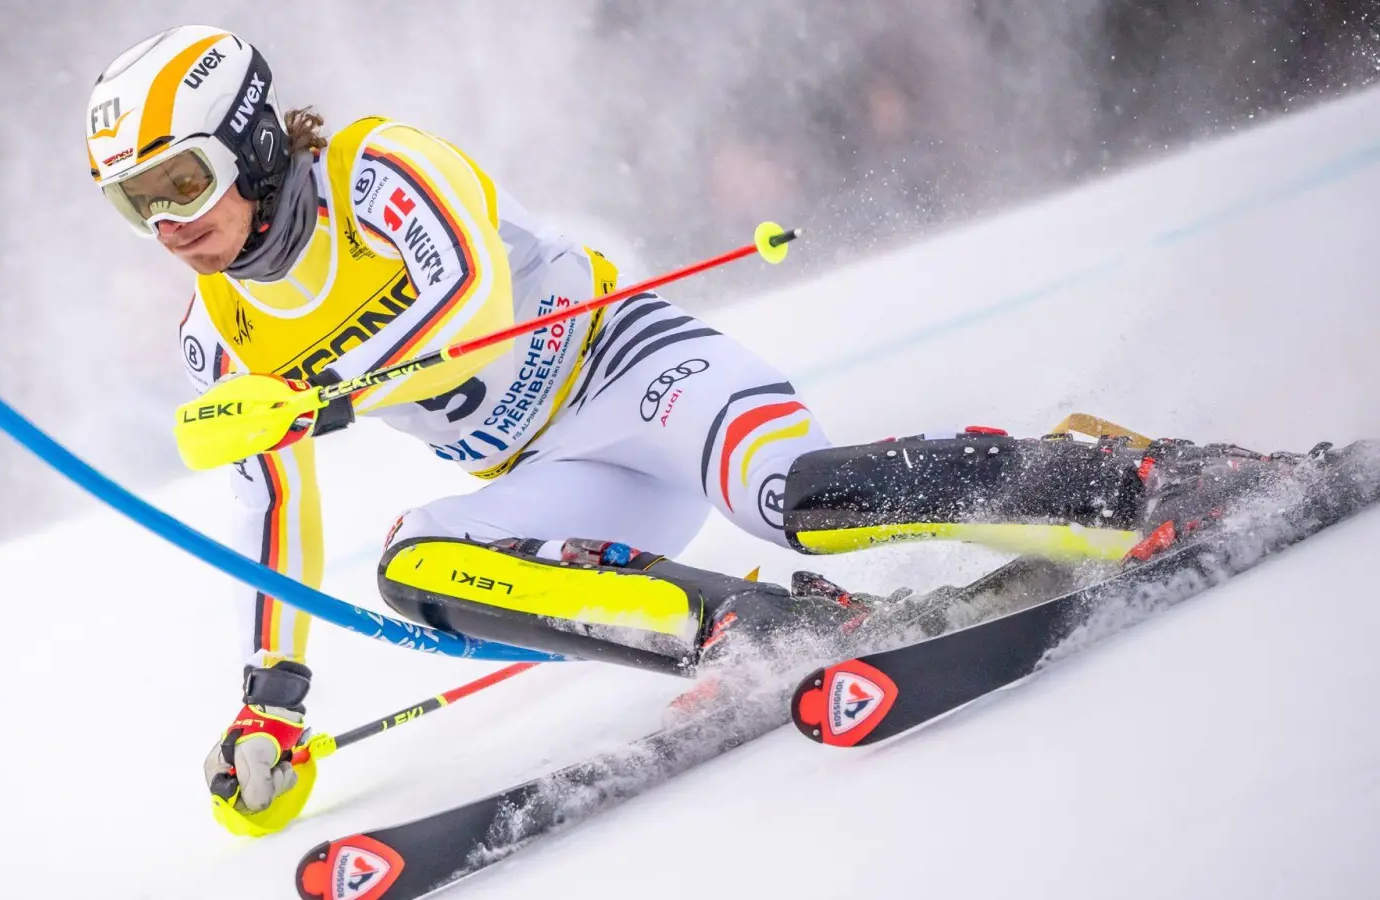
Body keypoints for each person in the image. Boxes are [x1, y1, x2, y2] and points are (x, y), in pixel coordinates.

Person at [83, 25, 1351, 836]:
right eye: (135, 205)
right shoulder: (217, 331)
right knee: (415, 566)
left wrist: (337, 387)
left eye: (180, 181)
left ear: (250, 142)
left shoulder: (379, 169)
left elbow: (469, 289)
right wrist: (274, 697)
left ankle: (1131, 481)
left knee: (785, 497)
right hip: (552, 477)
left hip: (637, 375)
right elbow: (275, 507)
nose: (168, 224)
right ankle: (769, 634)